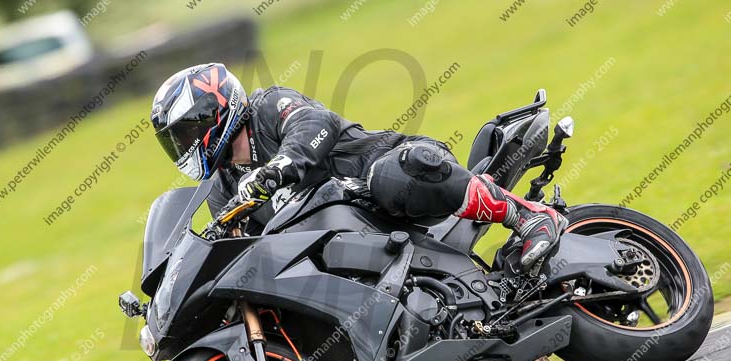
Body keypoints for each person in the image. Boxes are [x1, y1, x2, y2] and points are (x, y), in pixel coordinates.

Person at [151, 63, 567, 272]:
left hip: (396, 173)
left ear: (214, 113)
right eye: (175, 143)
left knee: (391, 177)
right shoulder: (223, 187)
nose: (184, 147)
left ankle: (529, 218)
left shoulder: (268, 106)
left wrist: (277, 168)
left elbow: (314, 125)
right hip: (354, 251)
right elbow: (242, 250)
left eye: (185, 134)